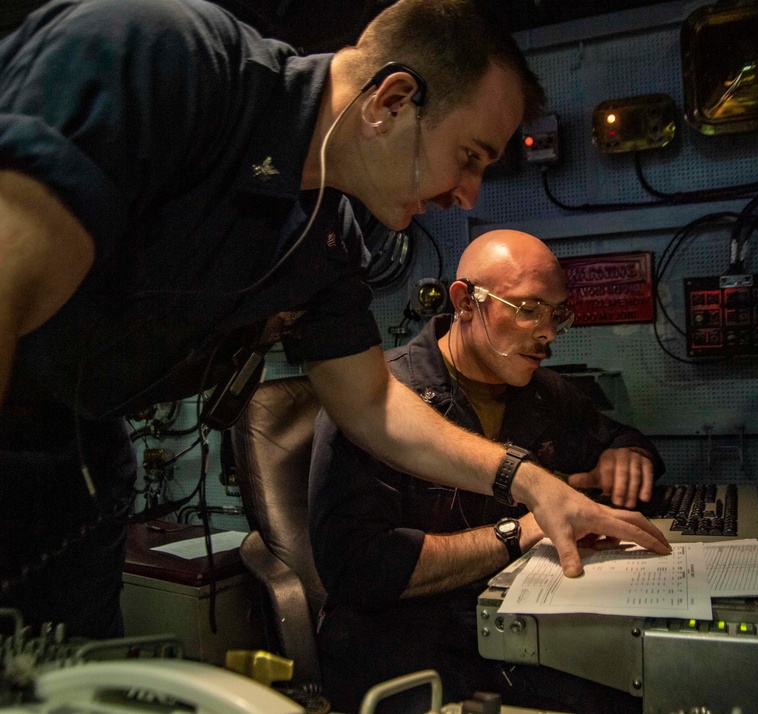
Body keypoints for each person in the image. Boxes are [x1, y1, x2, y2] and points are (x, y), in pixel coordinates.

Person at [0, 0, 669, 642]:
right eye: (470, 157)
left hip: (78, 452)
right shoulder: (168, 56)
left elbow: (373, 404)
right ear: (392, 101)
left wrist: (530, 482)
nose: (468, 195)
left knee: (61, 679)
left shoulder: (329, 233)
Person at [309, 229, 664, 713]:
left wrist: (625, 456)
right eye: (527, 308)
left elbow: (618, 435)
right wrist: (522, 530)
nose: (548, 333)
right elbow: (360, 569)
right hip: (409, 658)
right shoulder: (375, 402)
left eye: (557, 313)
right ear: (465, 302)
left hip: (517, 637)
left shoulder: (543, 393)